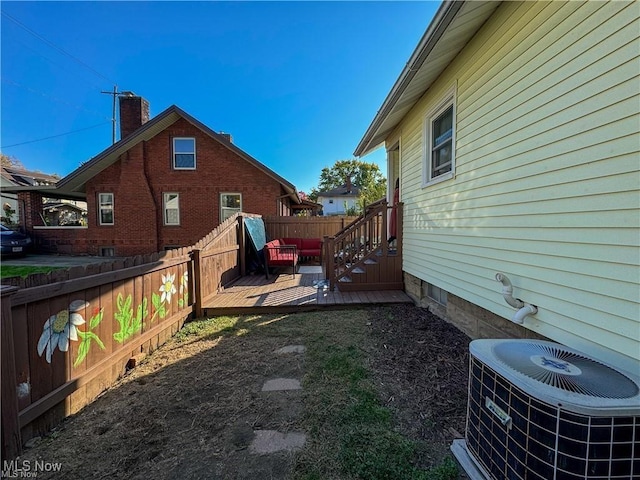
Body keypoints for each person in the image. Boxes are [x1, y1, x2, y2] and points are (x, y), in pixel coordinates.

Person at [388, 178, 399, 244]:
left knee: (394, 231)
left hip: (395, 211)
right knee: (395, 230)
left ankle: (386, 244)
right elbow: (397, 201)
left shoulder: (396, 191)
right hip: (397, 211)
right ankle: (386, 244)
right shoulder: (398, 191)